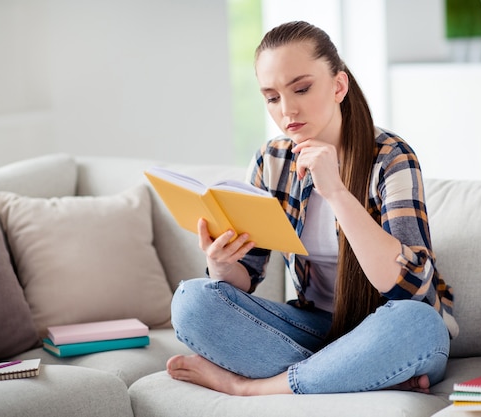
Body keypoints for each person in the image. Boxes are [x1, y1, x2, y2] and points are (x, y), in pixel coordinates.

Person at [166, 21, 459, 396]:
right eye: (272, 97)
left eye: (302, 88)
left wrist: (336, 192)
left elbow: (412, 287)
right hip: (316, 329)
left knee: (418, 324)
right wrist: (223, 264)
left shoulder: (390, 158)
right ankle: (355, 374)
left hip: (389, 325)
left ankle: (252, 387)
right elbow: (247, 279)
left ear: (338, 85)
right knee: (193, 302)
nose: (287, 110)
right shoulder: (271, 161)